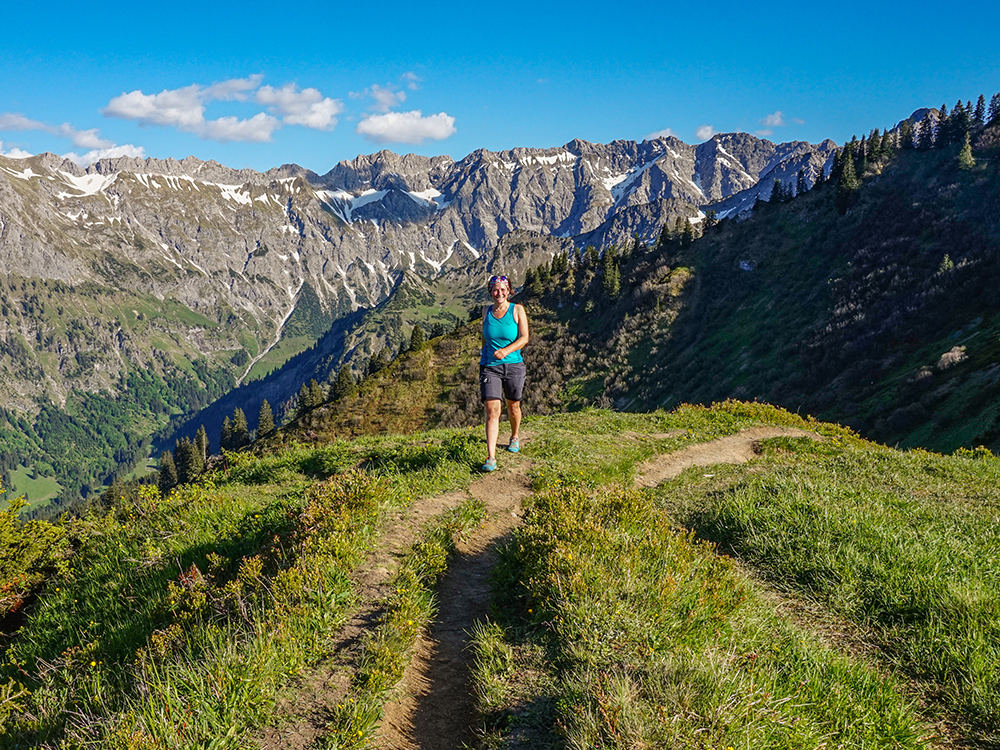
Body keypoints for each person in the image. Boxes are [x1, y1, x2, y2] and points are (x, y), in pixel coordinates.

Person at [479, 274, 529, 471]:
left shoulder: (517, 310)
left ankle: (514, 436)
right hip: (489, 366)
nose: (499, 293)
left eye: (502, 289)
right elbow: (484, 337)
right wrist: (484, 354)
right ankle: (491, 457)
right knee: (492, 411)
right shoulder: (486, 311)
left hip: (513, 364)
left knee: (513, 406)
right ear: (490, 292)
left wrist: (507, 351)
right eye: (495, 289)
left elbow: (525, 338)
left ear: (509, 291)